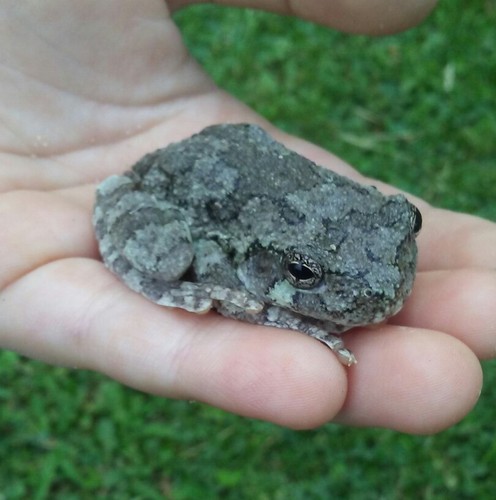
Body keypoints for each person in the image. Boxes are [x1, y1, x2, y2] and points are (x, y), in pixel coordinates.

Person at [0, 0, 494, 433]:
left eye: (406, 227)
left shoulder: (371, 230)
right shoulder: (246, 250)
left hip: (241, 163)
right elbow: (217, 269)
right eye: (305, 274)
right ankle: (163, 270)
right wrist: (266, 311)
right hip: (176, 191)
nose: (385, 285)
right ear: (283, 264)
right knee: (168, 259)